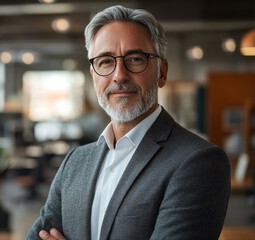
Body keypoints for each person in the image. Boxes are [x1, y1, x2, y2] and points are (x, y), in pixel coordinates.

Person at [26, 5, 230, 240]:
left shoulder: (197, 162)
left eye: (135, 59)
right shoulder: (75, 162)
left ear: (162, 72)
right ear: (94, 75)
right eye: (105, 61)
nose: (119, 75)